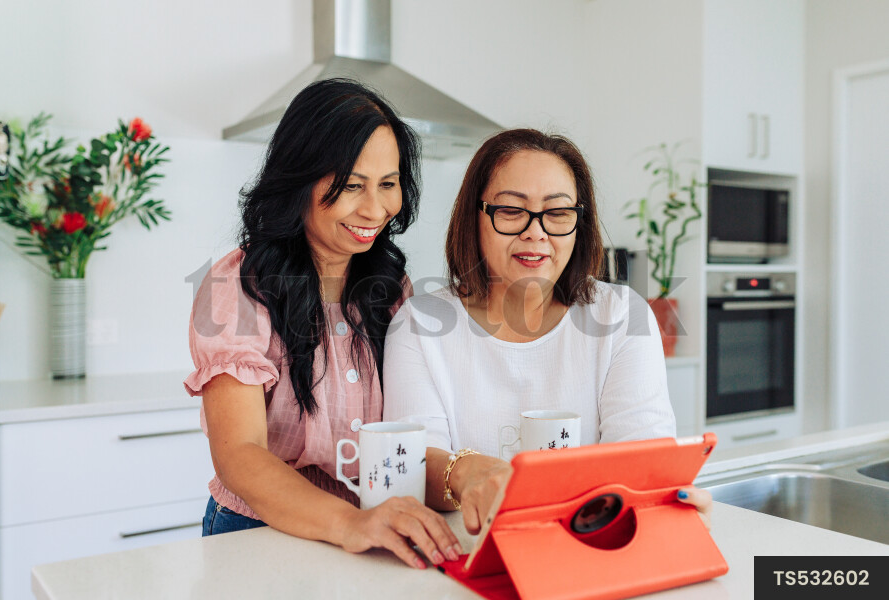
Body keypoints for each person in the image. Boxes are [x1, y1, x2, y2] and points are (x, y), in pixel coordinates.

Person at [184, 78, 460, 569]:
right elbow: (239, 453)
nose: (375, 210)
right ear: (299, 180)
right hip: (259, 530)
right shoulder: (238, 286)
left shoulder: (392, 289)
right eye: (352, 185)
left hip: (370, 528)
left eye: (388, 184)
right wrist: (351, 524)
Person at [382, 128, 712, 535]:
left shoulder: (624, 316)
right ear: (475, 216)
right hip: (463, 548)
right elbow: (412, 463)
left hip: (590, 547)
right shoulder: (418, 323)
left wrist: (661, 495)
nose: (535, 232)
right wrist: (467, 474)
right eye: (510, 210)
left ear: (578, 223)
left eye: (557, 213)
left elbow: (640, 458)